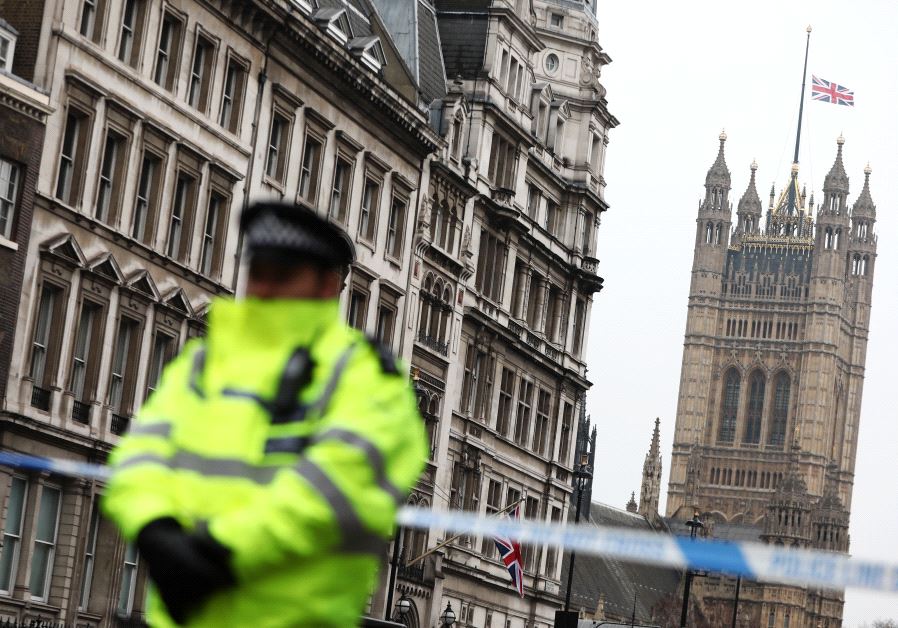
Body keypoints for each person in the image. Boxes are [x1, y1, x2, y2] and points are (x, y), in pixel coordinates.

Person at [102, 200, 428, 627]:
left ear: (328, 287)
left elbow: (333, 493)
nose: (265, 289)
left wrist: (214, 554)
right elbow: (139, 455)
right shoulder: (206, 362)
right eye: (258, 273)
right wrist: (154, 529)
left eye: (284, 276)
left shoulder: (369, 379)